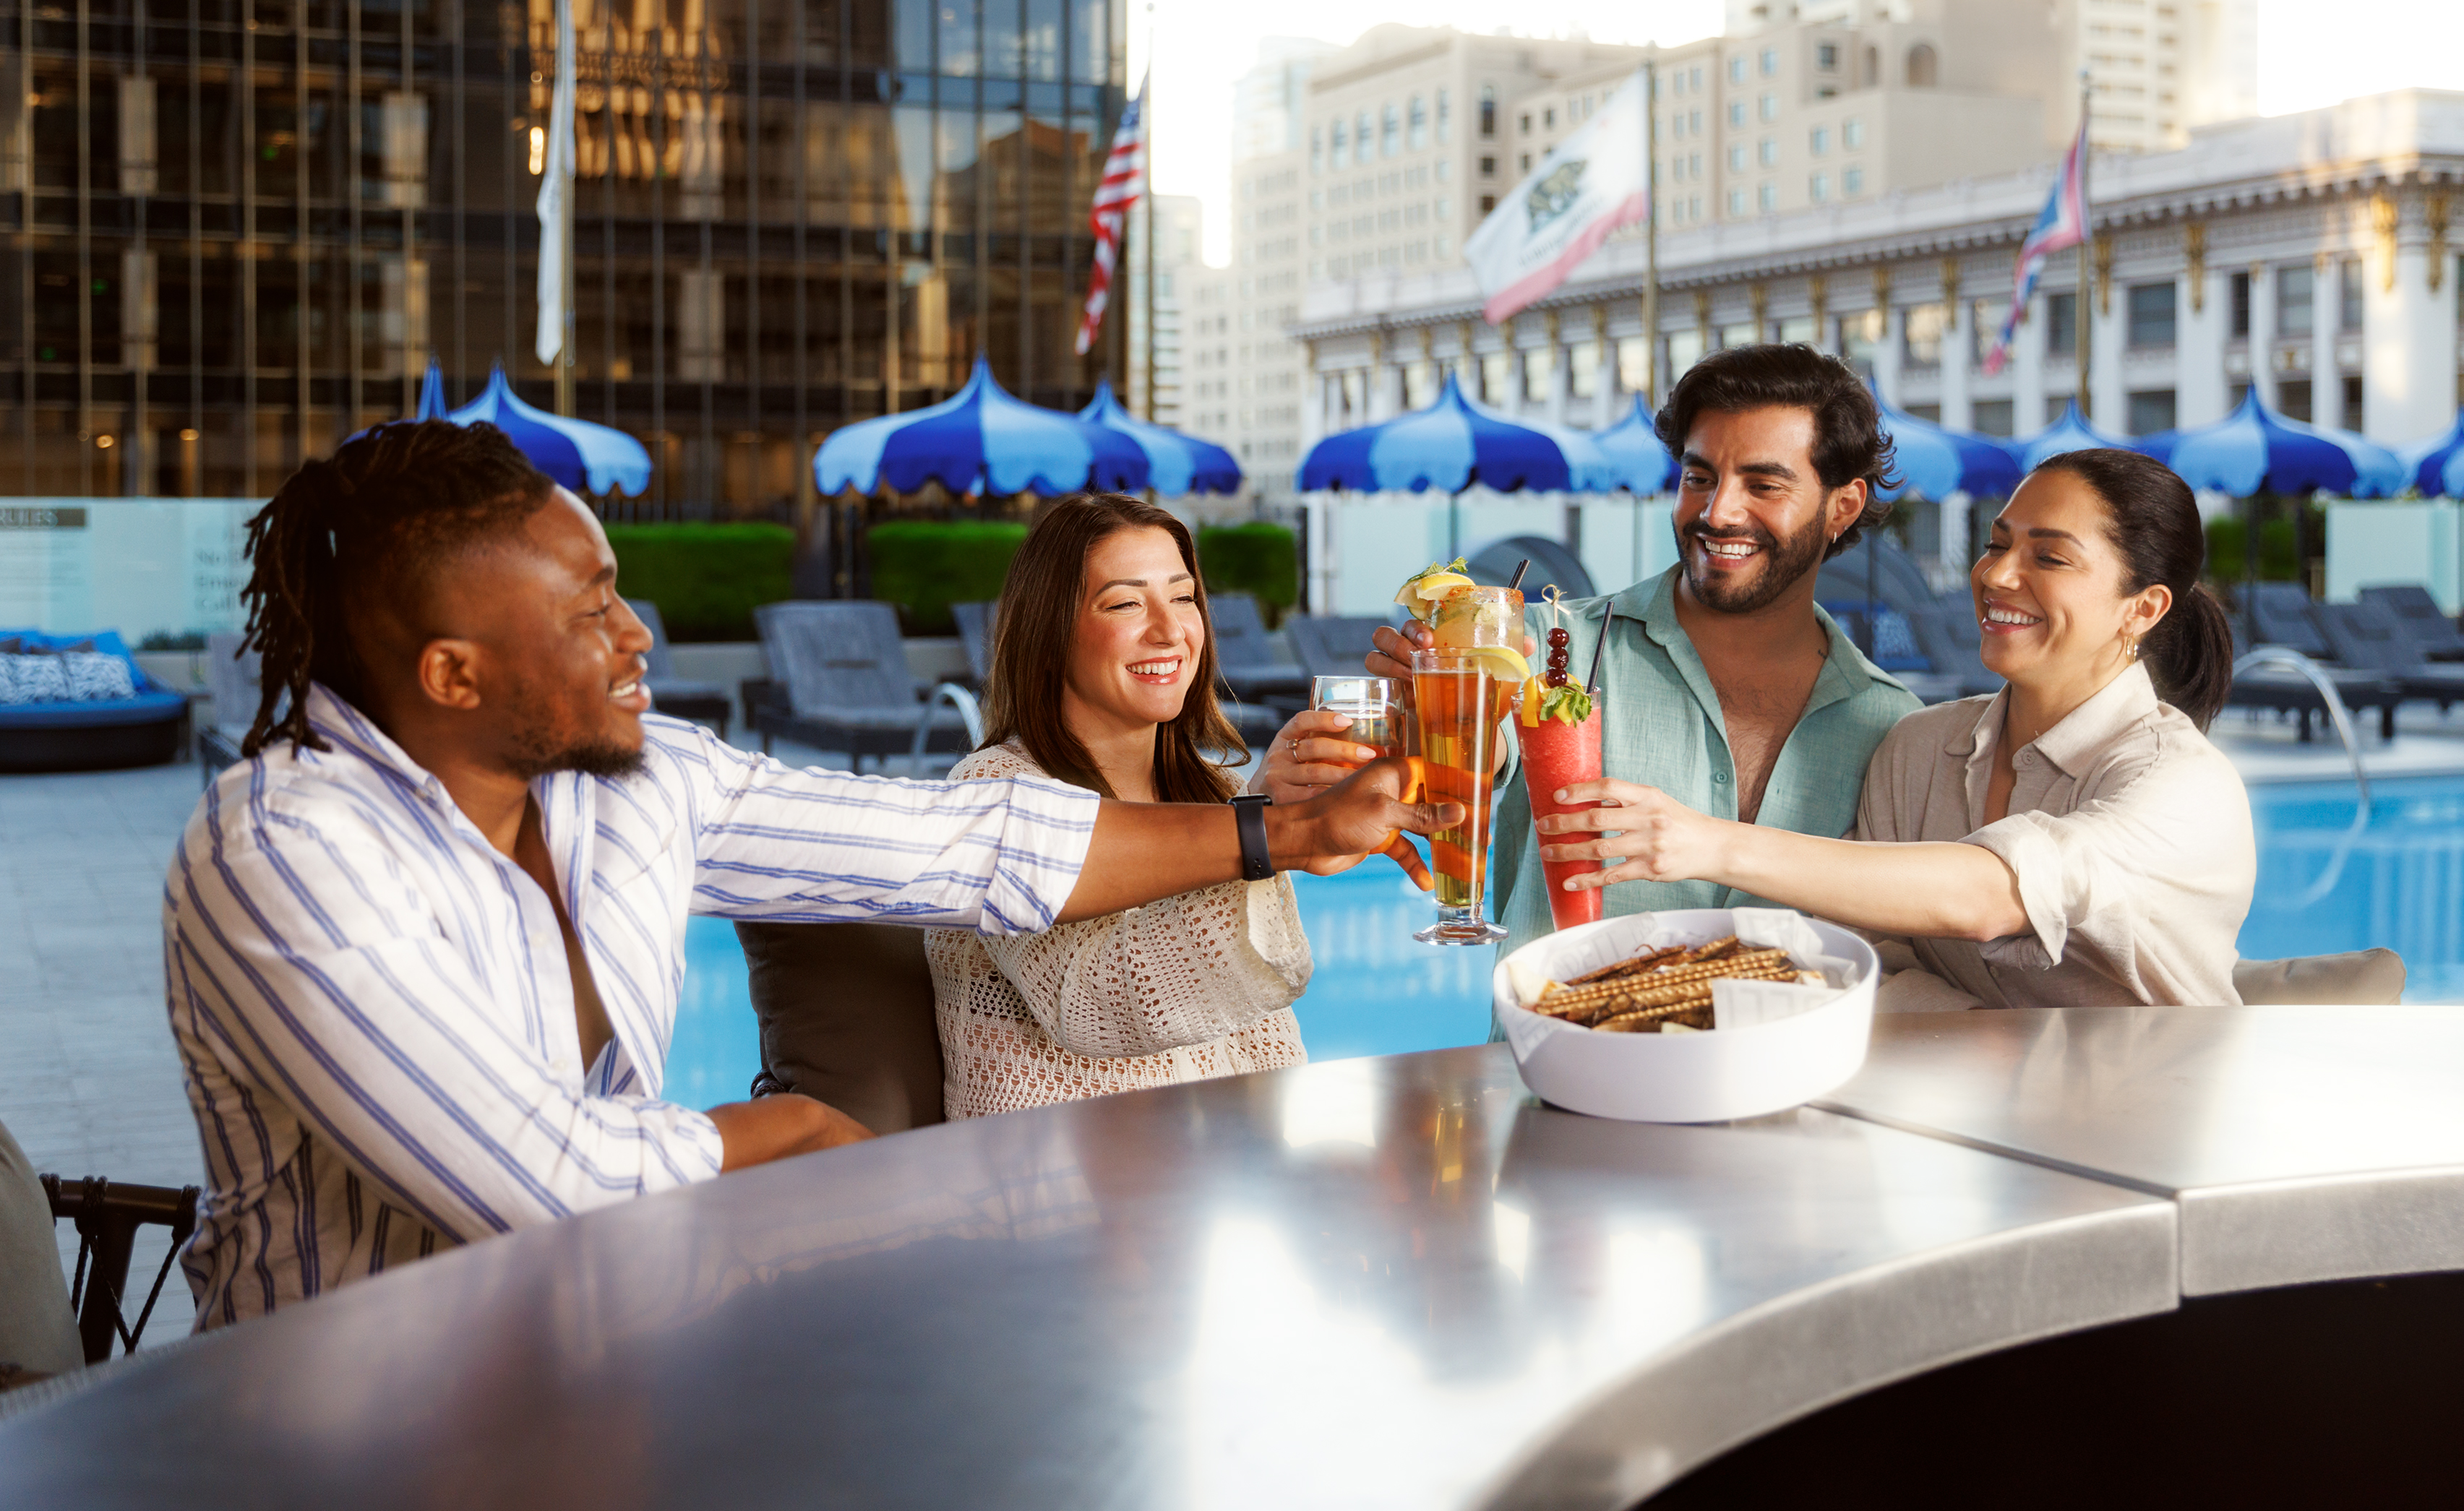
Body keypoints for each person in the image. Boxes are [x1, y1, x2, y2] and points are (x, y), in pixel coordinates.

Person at [163, 423, 1451, 1328]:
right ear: (454, 675)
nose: (640, 635)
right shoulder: (282, 849)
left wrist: (1276, 833)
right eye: (592, 609)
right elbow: (537, 1181)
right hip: (337, 1413)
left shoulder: (639, 779)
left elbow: (962, 849)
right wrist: (805, 1134)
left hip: (585, 1348)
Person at [1537, 448, 2251, 1008]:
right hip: (1983, 1136)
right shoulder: (1917, 748)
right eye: (1997, 542)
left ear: (2143, 608)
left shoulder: (2184, 785)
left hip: (2160, 1142)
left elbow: (1985, 896)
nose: (1997, 574)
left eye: (2050, 557)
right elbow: (1864, 962)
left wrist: (1705, 841)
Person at [1354, 344, 1920, 964]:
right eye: (1699, 478)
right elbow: (1470, 765)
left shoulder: (1892, 728)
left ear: (1844, 505)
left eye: (1762, 484)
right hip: (1563, 1056)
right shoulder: (1541, 652)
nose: (1717, 511)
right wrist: (1427, 723)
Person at [932, 494, 1388, 1114]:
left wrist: (1261, 809)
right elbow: (1096, 1003)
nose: (1171, 630)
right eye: (1125, 602)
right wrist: (1268, 834)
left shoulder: (1214, 790)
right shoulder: (993, 794)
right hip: (1047, 1188)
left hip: (1215, 1182)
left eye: (1182, 597)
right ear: (1050, 628)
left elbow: (1265, 1042)